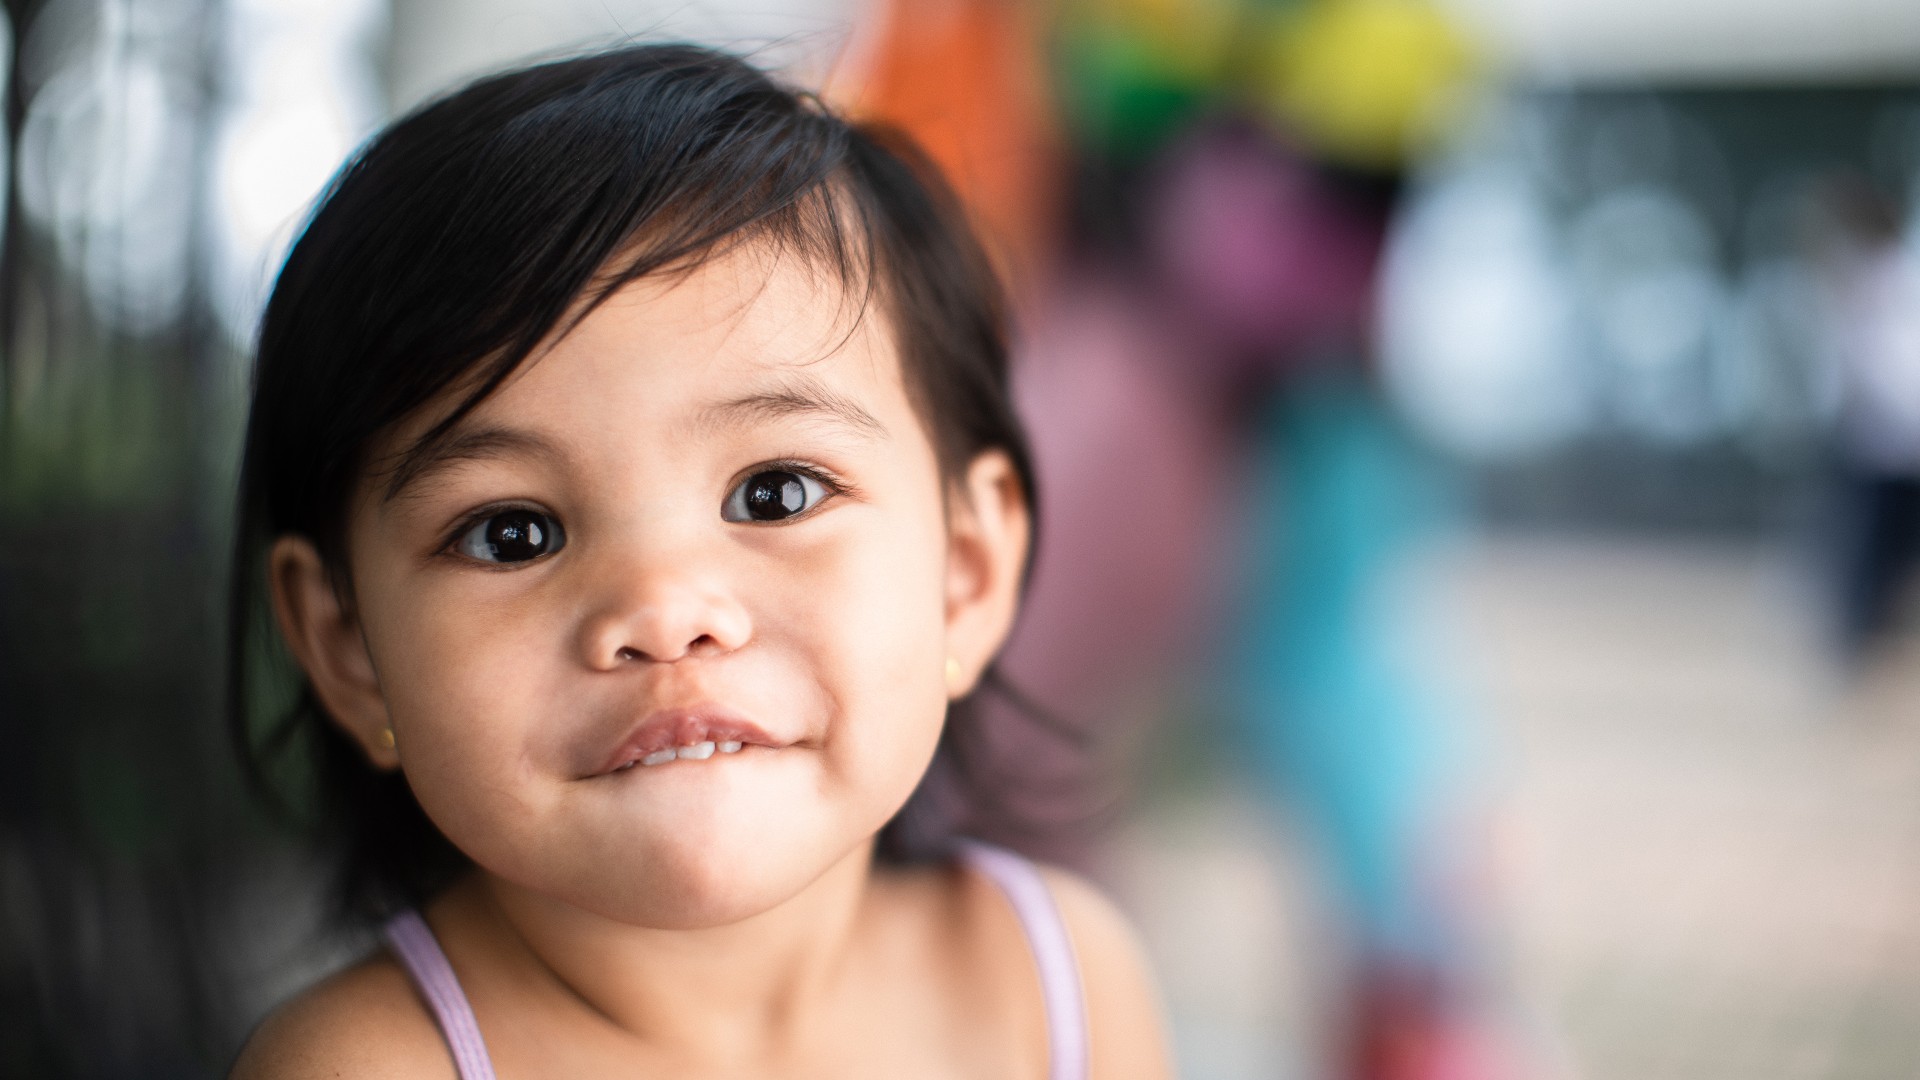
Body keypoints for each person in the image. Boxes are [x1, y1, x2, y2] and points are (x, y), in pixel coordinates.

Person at [224, 45, 1171, 1080]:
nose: (665, 609)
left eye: (775, 494)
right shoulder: (369, 1068)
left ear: (967, 572)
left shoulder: (1058, 982)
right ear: (349, 647)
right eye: (513, 533)